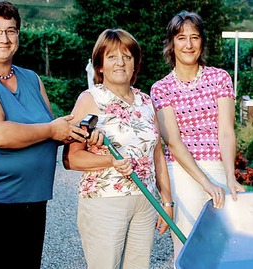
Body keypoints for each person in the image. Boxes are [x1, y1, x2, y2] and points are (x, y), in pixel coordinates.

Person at [0, 1, 87, 268]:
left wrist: (73, 133)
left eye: (11, 30)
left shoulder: (32, 79)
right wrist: (52, 129)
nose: (4, 38)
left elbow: (47, 131)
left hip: (30, 198)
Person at [63, 28, 173, 269]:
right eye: (112, 57)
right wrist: (109, 161)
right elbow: (71, 159)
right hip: (104, 201)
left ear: (135, 63)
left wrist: (167, 201)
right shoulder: (89, 99)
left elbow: (157, 155)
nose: (121, 63)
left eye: (127, 56)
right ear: (100, 65)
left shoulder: (146, 102)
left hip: (145, 202)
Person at [150, 11, 245, 257]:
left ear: (202, 41)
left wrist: (229, 176)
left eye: (195, 37)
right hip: (182, 174)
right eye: (181, 38)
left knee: (222, 245)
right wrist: (205, 182)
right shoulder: (161, 88)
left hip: (217, 166)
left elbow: (225, 131)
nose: (188, 44)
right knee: (188, 246)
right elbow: (173, 142)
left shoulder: (220, 78)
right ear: (171, 43)